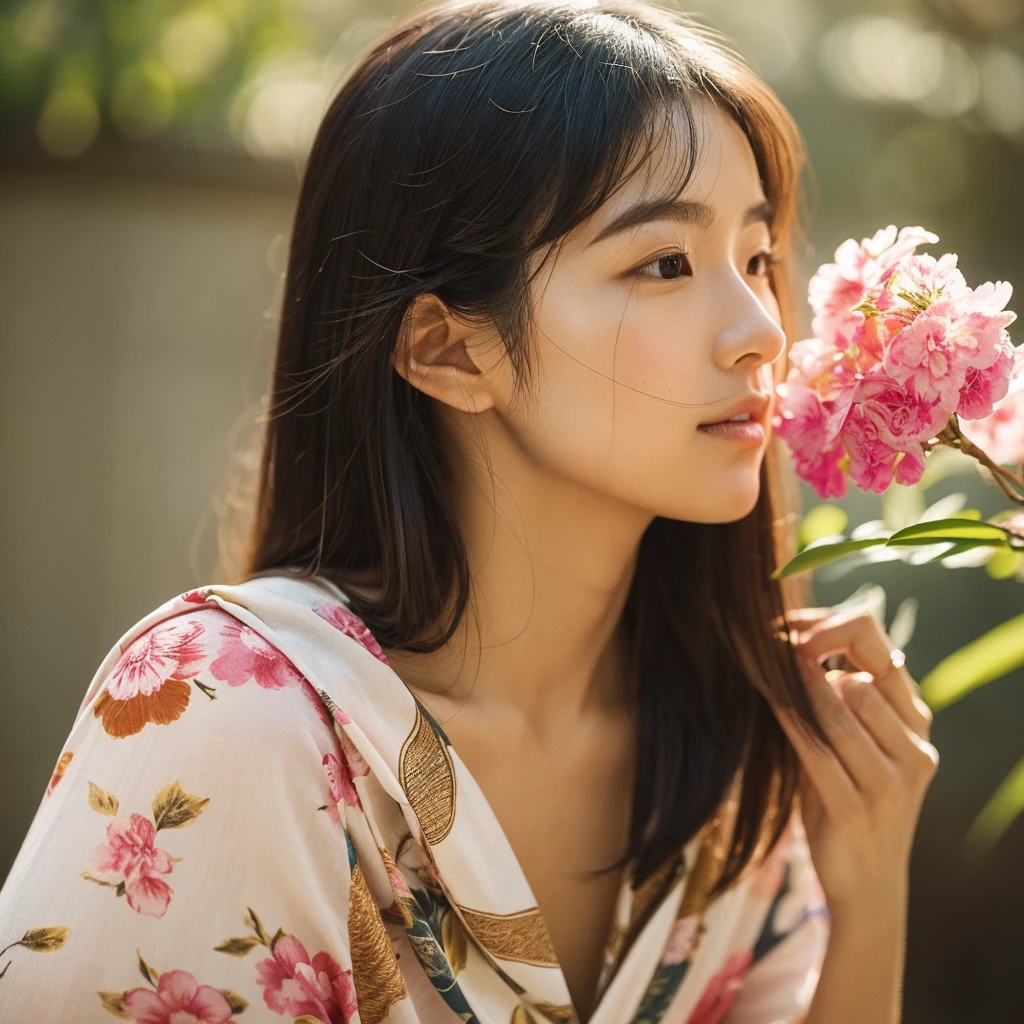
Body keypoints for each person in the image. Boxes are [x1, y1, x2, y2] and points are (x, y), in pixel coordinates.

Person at [0, 1, 940, 1022]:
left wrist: (869, 881)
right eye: (663, 263)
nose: (762, 329)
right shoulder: (230, 720)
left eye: (757, 258)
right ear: (449, 351)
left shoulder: (735, 752)